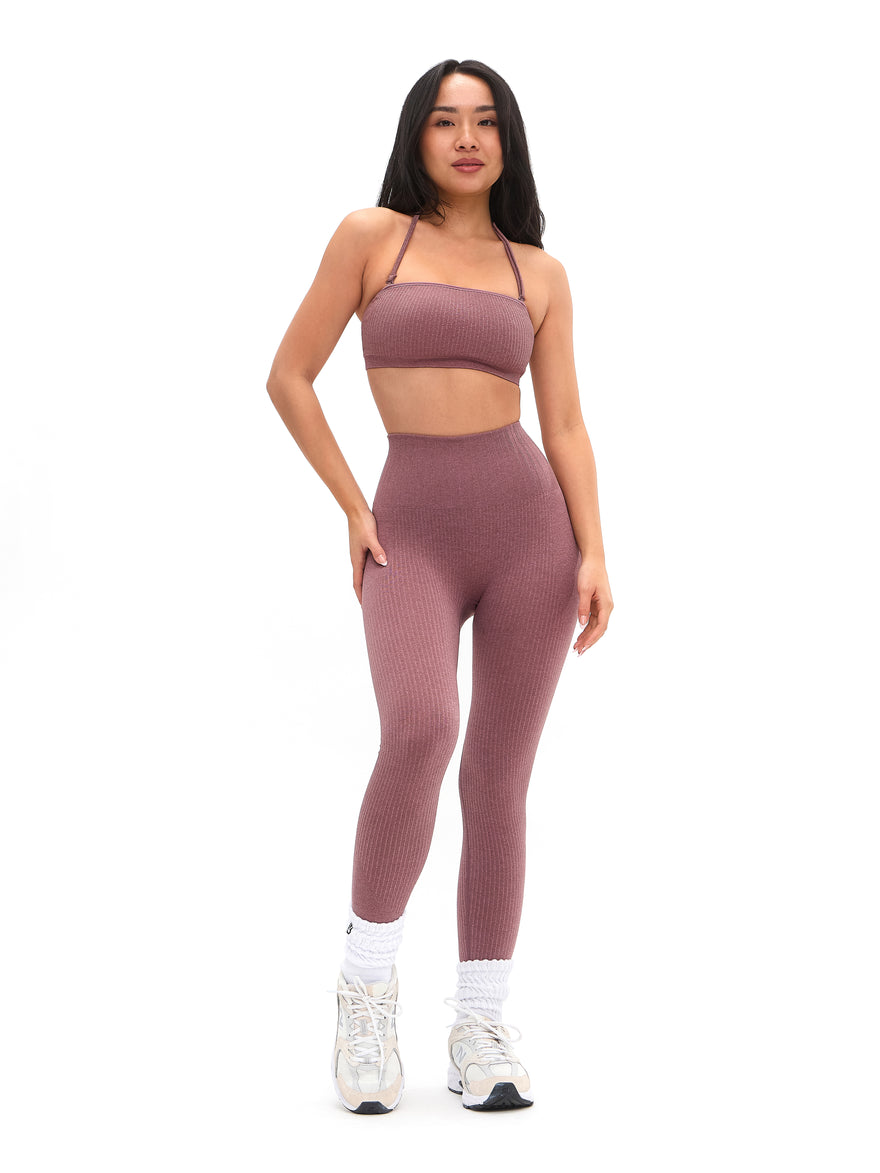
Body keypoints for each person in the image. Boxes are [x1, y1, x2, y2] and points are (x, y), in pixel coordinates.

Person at [265, 58, 613, 1114]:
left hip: (530, 538)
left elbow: (563, 424)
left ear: (508, 142)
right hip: (407, 528)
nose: (467, 138)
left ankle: (480, 1022)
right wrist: (353, 506)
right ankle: (366, 992)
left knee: (497, 779)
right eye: (446, 120)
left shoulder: (537, 273)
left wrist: (594, 550)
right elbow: (288, 375)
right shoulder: (373, 238)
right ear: (416, 134)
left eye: (486, 121)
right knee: (420, 727)